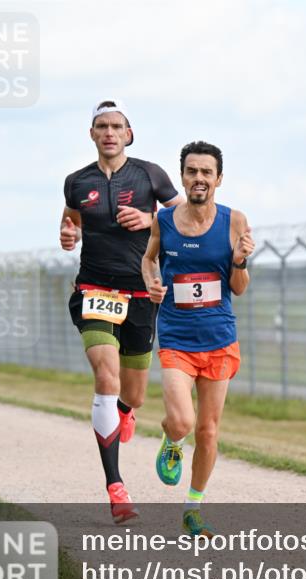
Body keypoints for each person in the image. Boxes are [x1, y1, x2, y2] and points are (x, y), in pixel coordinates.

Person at [60, 99, 184, 523]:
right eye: (101, 126)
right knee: (105, 378)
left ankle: (126, 414)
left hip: (140, 294)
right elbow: (71, 217)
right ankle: (116, 487)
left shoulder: (151, 174)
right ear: (92, 135)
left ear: (129, 134)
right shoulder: (76, 181)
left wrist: (150, 219)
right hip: (94, 288)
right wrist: (68, 232)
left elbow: (185, 218)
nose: (109, 132)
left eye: (116, 126)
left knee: (132, 394)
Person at [142, 140, 253, 537]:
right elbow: (149, 258)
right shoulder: (165, 221)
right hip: (175, 336)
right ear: (183, 177)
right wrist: (152, 282)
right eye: (192, 171)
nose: (199, 178)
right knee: (183, 420)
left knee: (207, 431)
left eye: (207, 172)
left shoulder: (234, 221)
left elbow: (238, 287)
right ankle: (172, 438)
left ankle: (193, 508)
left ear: (218, 179)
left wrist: (239, 260)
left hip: (219, 337)